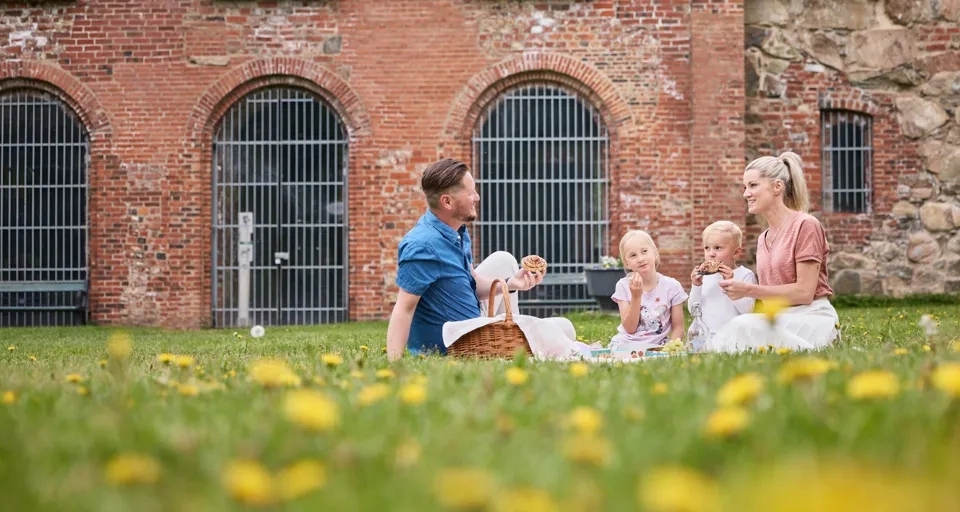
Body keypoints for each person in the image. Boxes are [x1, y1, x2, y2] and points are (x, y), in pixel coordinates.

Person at [386, 158, 549, 361]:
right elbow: (404, 308)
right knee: (563, 328)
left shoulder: (457, 230)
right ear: (447, 202)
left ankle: (511, 341)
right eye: (470, 193)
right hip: (456, 342)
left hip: (472, 321)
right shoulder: (422, 246)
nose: (477, 197)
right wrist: (394, 365)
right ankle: (515, 346)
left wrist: (511, 284)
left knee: (503, 259)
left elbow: (472, 283)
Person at [705, 151, 839, 353]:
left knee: (741, 326)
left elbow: (804, 292)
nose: (746, 193)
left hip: (810, 318)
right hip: (777, 318)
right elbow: (770, 297)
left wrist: (747, 289)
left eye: (753, 185)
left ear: (777, 187)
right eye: (745, 187)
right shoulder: (763, 239)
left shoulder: (806, 225)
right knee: (735, 325)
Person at [609, 230, 687, 352]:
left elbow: (678, 328)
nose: (640, 259)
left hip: (659, 346)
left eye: (644, 251)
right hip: (627, 343)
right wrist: (636, 297)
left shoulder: (672, 286)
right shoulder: (623, 286)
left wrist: (671, 349)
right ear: (626, 263)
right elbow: (629, 328)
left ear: (655, 253)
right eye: (633, 255)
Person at [688, 221, 757, 339]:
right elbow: (692, 310)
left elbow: (747, 310)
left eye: (718, 248)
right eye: (707, 248)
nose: (711, 254)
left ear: (736, 253)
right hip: (706, 336)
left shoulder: (745, 275)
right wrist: (696, 286)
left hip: (734, 337)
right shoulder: (704, 278)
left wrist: (730, 283)